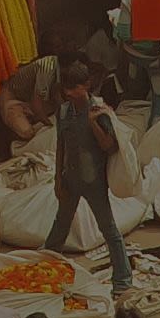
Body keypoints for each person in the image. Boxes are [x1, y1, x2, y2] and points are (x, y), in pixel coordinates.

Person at [45, 60, 134, 297]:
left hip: (94, 182)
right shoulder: (64, 111)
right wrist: (57, 179)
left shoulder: (99, 110)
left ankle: (123, 280)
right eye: (67, 88)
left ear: (87, 85)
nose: (70, 93)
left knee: (109, 230)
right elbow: (61, 145)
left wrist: (93, 122)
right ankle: (45, 270)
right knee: (59, 229)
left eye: (75, 87)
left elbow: (108, 145)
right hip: (70, 179)